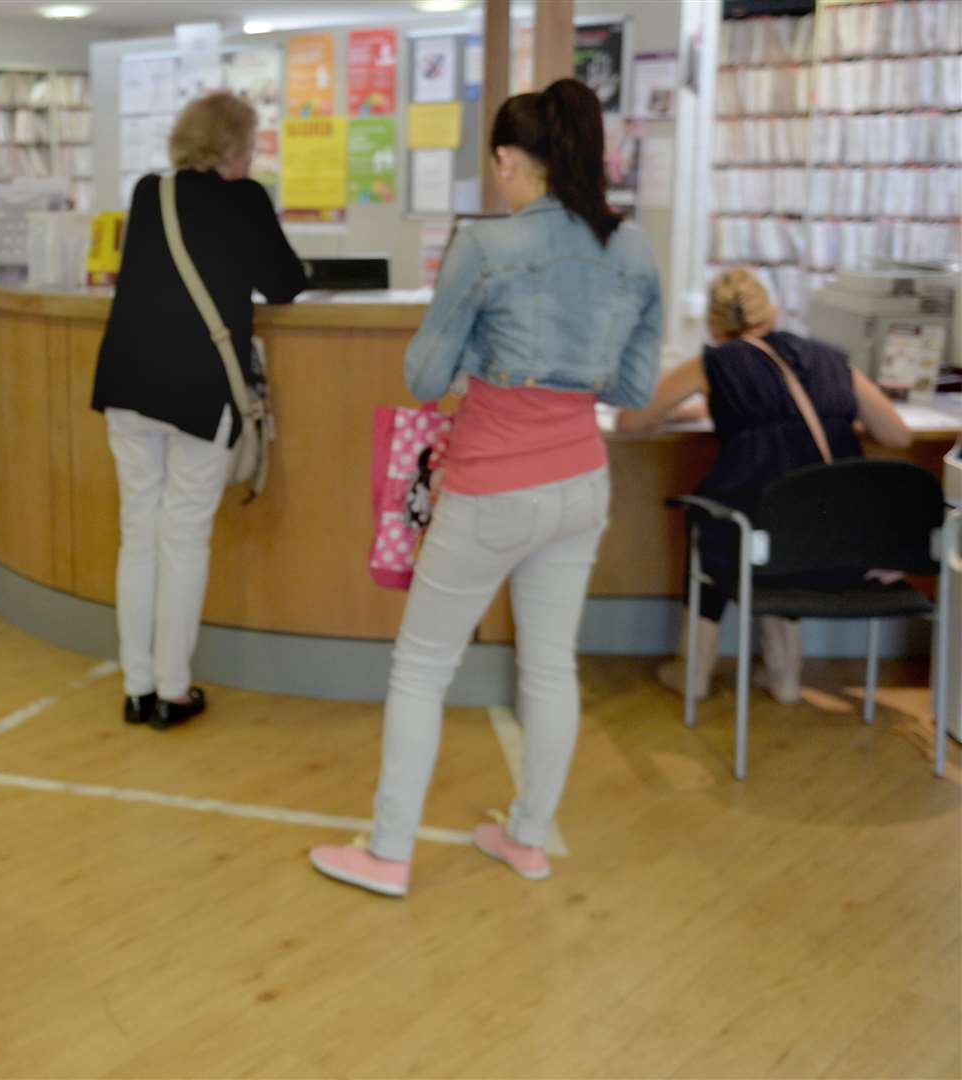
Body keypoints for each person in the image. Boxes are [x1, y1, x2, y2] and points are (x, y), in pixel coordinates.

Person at [309, 80, 662, 897]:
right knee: (550, 667)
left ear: (509, 159)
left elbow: (425, 374)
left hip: (491, 484)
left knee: (422, 666)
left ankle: (389, 853)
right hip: (581, 483)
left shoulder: (485, 245)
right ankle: (527, 837)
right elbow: (635, 385)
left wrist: (486, 365)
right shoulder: (632, 249)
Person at [90, 91, 307, 731]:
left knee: (140, 532)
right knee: (183, 535)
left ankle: (137, 686)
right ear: (235, 147)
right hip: (200, 389)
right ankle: (173, 690)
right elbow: (286, 283)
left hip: (128, 382)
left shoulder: (147, 192)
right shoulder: (247, 201)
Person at [616, 269, 912, 703]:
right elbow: (898, 435)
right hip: (835, 541)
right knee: (786, 527)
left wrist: (686, 413)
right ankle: (785, 675)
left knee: (717, 518)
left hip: (749, 537)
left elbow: (631, 421)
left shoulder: (713, 363)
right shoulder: (831, 359)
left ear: (715, 325)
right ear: (771, 312)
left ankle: (692, 673)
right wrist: (837, 420)